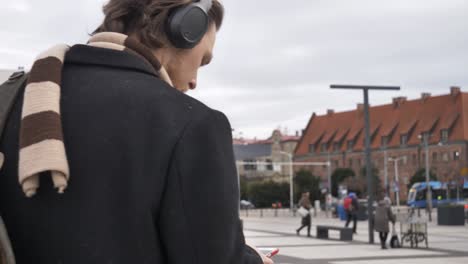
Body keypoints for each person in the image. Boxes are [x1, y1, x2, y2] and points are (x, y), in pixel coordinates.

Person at [0, 1, 273, 263]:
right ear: (183, 28)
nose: (194, 81)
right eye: (202, 60)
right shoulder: (192, 125)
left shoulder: (12, 103)